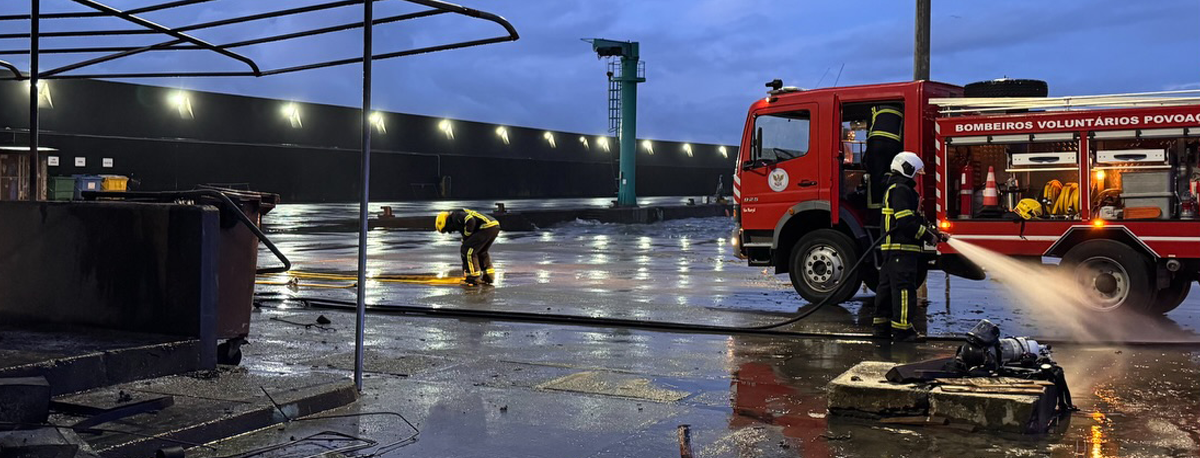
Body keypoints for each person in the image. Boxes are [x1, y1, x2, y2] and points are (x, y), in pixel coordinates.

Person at [873, 152, 948, 342]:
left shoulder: (895, 188)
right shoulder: (901, 190)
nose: (916, 178)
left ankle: (881, 327)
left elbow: (913, 219)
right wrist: (928, 236)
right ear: (907, 169)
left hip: (892, 250)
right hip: (902, 249)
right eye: (915, 173)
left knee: (887, 288)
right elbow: (906, 222)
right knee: (904, 289)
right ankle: (902, 330)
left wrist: (935, 232)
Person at [435, 208, 500, 286]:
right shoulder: (458, 216)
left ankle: (473, 277)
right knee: (481, 251)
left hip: (486, 226)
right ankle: (489, 276)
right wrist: (466, 238)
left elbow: (470, 220)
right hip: (493, 226)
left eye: (446, 229)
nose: (450, 231)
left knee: (468, 250)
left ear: (445, 222)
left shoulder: (455, 216)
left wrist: (466, 236)